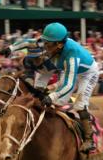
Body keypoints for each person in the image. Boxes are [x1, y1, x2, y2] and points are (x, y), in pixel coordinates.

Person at [35, 22, 99, 153]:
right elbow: (44, 71)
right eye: (45, 42)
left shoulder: (71, 54)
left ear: (59, 44)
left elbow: (69, 85)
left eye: (48, 43)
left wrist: (51, 95)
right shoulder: (55, 46)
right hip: (70, 71)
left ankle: (89, 140)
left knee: (80, 104)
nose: (45, 46)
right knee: (58, 101)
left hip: (87, 74)